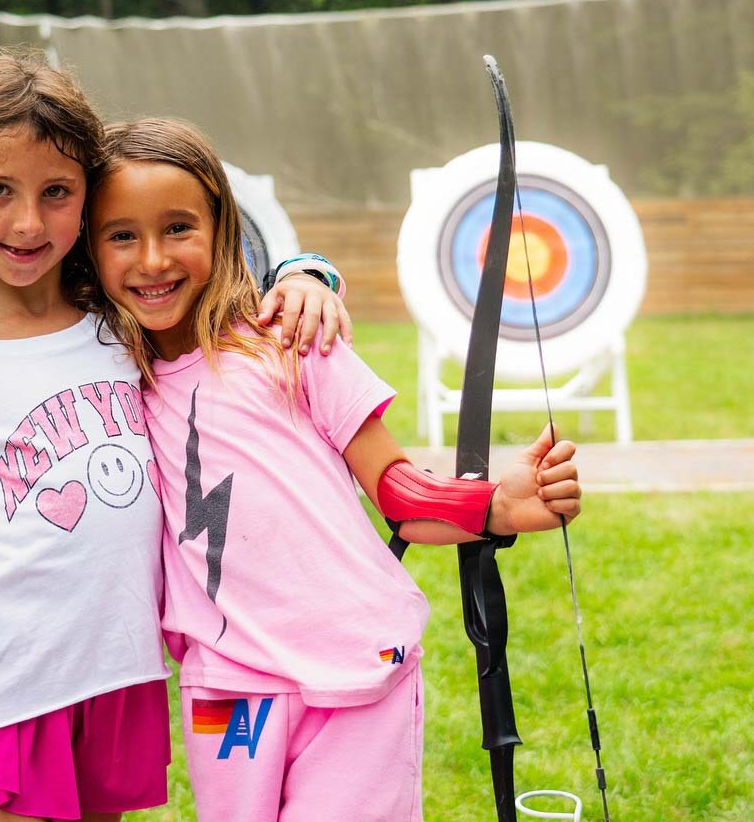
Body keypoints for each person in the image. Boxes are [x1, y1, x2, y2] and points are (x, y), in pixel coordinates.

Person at [0, 50, 350, 822]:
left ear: (89, 200)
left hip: (116, 678)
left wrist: (309, 273)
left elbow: (222, 277)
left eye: (57, 193)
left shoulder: (132, 327)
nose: (27, 222)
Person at [78, 117, 583, 822]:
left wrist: (498, 505)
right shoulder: (102, 376)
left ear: (223, 232)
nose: (153, 259)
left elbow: (398, 495)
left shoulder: (293, 339)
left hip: (358, 667)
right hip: (225, 691)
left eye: (179, 228)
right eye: (121, 235)